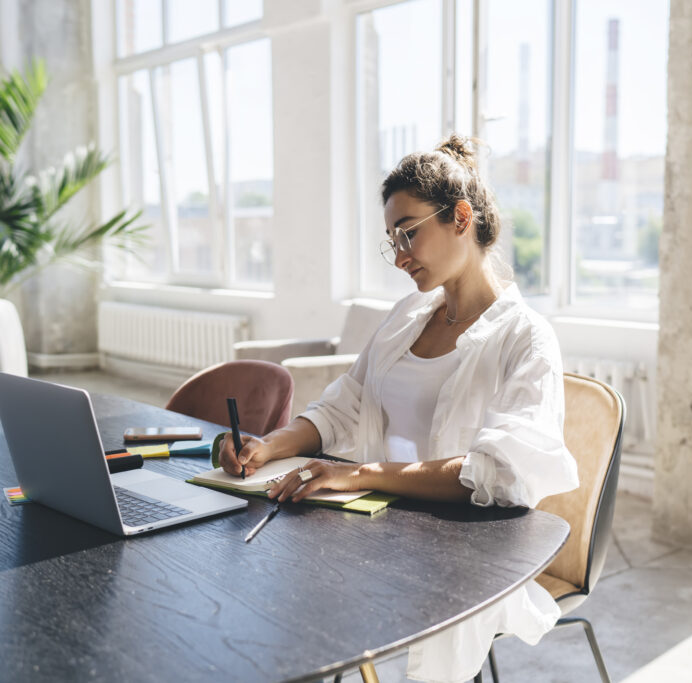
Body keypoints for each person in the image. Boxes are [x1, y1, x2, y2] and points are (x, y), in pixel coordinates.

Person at [219, 134, 579, 683]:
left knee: (301, 603)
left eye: (409, 232)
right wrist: (270, 445)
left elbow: (499, 474)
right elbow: (343, 407)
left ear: (461, 217)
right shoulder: (406, 318)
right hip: (375, 530)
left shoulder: (526, 339)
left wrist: (360, 474)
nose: (401, 256)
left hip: (463, 556)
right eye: (393, 240)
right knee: (260, 592)